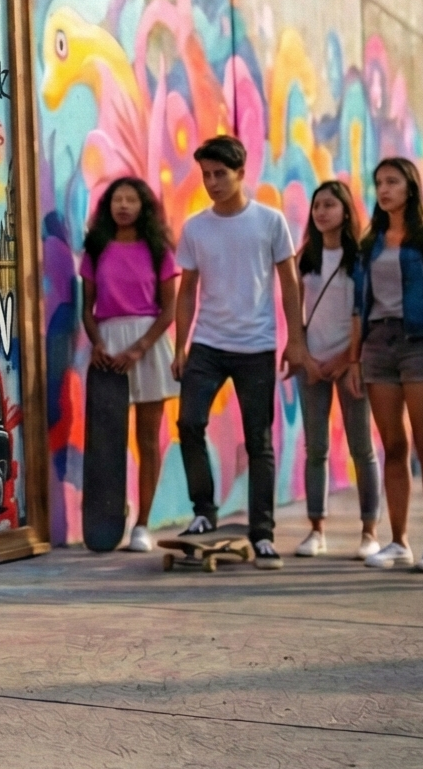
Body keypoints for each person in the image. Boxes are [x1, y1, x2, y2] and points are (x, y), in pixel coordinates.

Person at [171, 134, 305, 560]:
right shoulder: (195, 227)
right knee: (190, 423)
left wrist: (295, 341)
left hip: (256, 346)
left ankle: (262, 531)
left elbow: (289, 283)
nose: (212, 182)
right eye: (206, 175)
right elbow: (187, 291)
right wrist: (181, 346)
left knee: (258, 439)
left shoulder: (270, 222)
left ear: (241, 173)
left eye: (220, 174)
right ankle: (204, 510)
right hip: (208, 343)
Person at [351, 156, 423, 573]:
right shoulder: (370, 243)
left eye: (392, 182)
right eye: (379, 182)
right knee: (393, 448)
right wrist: (355, 356)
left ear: (410, 187)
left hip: (421, 344)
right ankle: (398, 542)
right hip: (378, 346)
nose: (384, 189)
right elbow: (359, 307)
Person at [78, 176, 179, 551]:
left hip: (148, 345)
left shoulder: (158, 250)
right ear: (109, 206)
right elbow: (86, 309)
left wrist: (139, 349)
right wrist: (98, 342)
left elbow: (169, 310)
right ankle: (111, 513)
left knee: (147, 440)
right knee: (106, 442)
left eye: (131, 200)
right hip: (108, 344)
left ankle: (142, 525)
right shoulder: (96, 249)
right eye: (117, 199)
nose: (123, 206)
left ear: (143, 207)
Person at [289, 179, 380, 558]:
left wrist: (346, 360)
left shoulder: (360, 258)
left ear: (345, 210)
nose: (321, 212)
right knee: (316, 448)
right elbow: (295, 314)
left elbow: (367, 312)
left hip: (350, 363)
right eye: (316, 206)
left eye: (330, 205)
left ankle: (369, 533)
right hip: (311, 362)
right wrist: (305, 357)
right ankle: (316, 529)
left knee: (362, 447)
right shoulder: (304, 258)